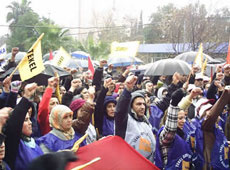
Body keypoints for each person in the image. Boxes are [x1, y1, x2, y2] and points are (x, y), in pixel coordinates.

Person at [155, 88, 202, 169]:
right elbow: (171, 128)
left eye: (184, 118)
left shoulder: (181, 134)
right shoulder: (166, 136)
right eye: (180, 118)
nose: (183, 121)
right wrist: (173, 104)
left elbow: (179, 110)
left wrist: (190, 97)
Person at [115, 75, 156, 162]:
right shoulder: (125, 122)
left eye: (143, 104)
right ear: (131, 107)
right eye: (138, 104)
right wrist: (127, 90)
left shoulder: (146, 122)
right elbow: (120, 111)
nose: (142, 107)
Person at [4, 83, 44, 170]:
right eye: (25, 120)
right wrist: (26, 97)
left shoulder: (32, 141)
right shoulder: (12, 144)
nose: (30, 123)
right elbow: (13, 123)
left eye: (29, 119)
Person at [191, 86, 230, 169]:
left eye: (211, 108)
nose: (211, 111)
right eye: (208, 110)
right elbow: (211, 116)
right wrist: (225, 96)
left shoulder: (217, 126)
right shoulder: (205, 126)